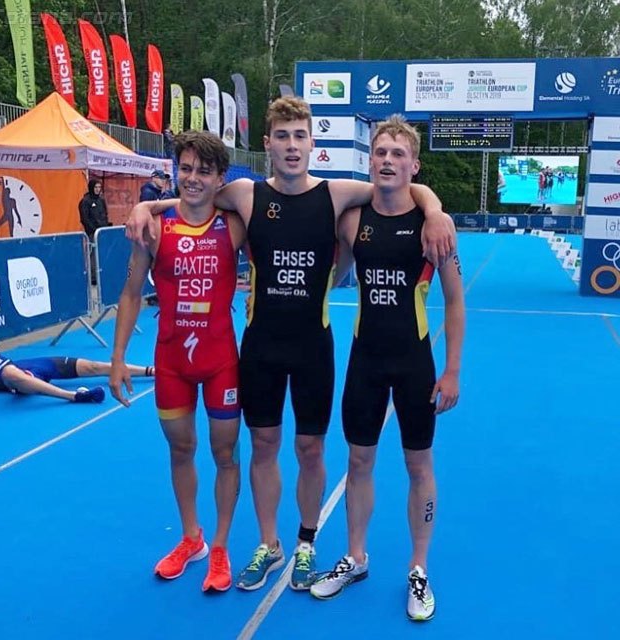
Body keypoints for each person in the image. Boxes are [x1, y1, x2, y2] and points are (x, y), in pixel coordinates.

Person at [125, 96, 455, 592]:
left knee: (310, 448)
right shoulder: (246, 194)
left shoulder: (336, 195)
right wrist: (146, 205)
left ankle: (306, 543)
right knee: (263, 445)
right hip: (261, 347)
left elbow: (400, 184)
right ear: (269, 144)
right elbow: (194, 197)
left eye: (300, 136)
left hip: (313, 349)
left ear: (312, 143)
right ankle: (268, 543)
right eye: (282, 137)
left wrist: (434, 209)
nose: (292, 146)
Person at [308, 115, 465, 623]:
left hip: (415, 363)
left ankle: (419, 568)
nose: (388, 160)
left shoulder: (433, 227)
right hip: (366, 362)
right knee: (358, 462)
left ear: (414, 165)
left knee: (419, 466)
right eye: (381, 152)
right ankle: (355, 557)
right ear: (370, 160)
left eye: (399, 154)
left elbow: (456, 302)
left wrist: (452, 371)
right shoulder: (353, 221)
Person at [109, 130, 246, 593]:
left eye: (204, 171)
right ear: (174, 171)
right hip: (171, 361)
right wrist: (118, 359)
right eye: (185, 169)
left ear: (220, 177)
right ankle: (192, 538)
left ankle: (221, 546)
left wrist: (150, 203)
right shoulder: (153, 229)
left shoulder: (235, 224)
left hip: (221, 361)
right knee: (181, 449)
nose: (193, 178)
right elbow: (131, 293)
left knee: (225, 454)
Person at [0, 337, 153, 403]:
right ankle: (74, 396)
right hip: (10, 379)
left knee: (92, 366)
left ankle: (150, 371)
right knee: (10, 372)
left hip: (27, 365)